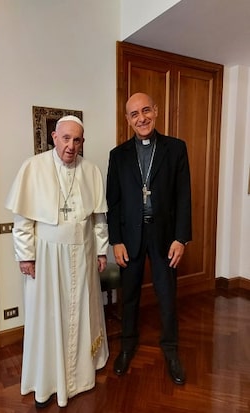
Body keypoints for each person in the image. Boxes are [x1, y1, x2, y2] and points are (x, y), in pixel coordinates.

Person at [6, 115, 109, 408]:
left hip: (83, 252)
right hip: (47, 256)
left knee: (82, 311)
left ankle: (80, 376)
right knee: (48, 316)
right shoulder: (33, 167)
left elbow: (99, 219)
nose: (71, 146)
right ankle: (48, 380)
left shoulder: (91, 171)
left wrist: (101, 251)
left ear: (82, 142)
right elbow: (22, 220)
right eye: (66, 138)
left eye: (77, 140)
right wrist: (26, 255)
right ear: (54, 137)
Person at [106, 92, 192, 385]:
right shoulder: (117, 156)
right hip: (129, 236)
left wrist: (181, 237)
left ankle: (171, 351)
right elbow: (113, 202)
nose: (141, 118)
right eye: (134, 114)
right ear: (128, 119)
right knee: (128, 295)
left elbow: (184, 196)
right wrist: (115, 240)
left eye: (145, 111)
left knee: (167, 295)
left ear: (155, 111)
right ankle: (127, 347)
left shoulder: (176, 148)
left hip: (164, 236)